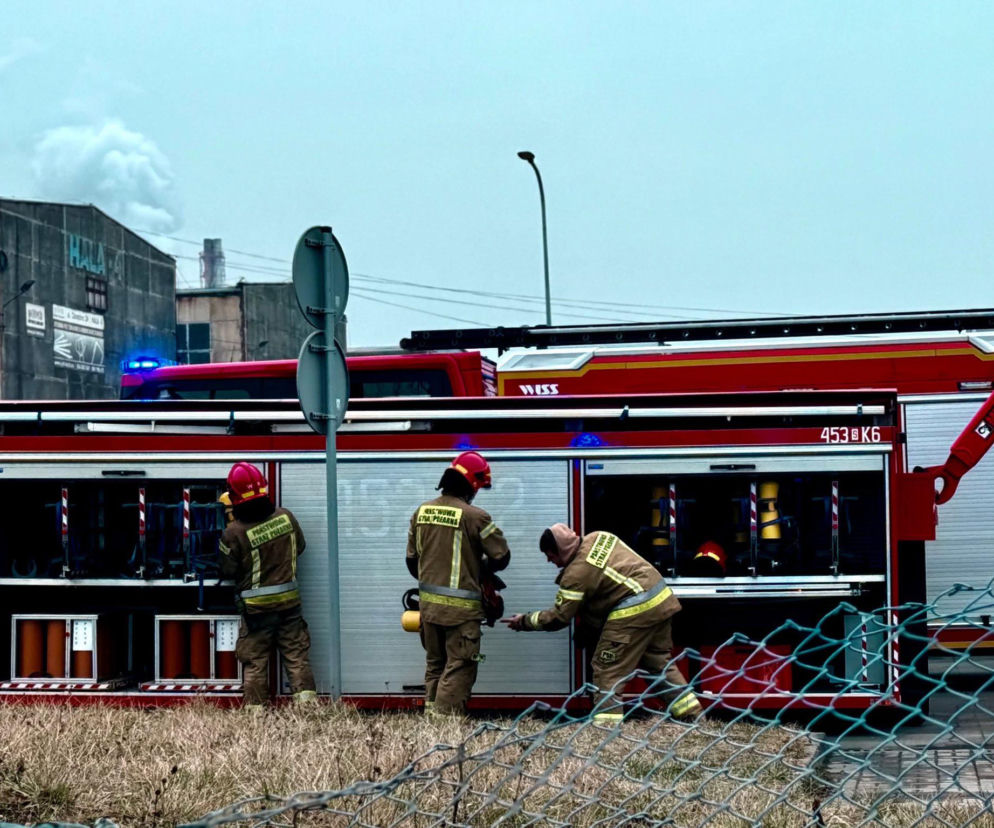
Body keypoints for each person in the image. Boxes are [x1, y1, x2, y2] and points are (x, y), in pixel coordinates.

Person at [503, 523, 701, 724]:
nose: (549, 560)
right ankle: (691, 715)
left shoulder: (575, 574)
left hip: (635, 609)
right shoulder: (599, 536)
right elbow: (604, 585)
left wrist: (525, 621)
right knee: (658, 662)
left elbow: (560, 617)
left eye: (550, 555)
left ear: (560, 550)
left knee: (607, 668)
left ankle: (606, 728)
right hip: (660, 600)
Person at [406, 451, 510, 715]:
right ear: (471, 485)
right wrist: (481, 570)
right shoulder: (476, 517)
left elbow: (411, 562)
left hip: (428, 608)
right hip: (461, 613)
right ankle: (445, 727)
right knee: (460, 664)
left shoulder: (421, 512)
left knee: (435, 664)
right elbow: (502, 557)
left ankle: (431, 719)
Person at [219, 462, 317, 709]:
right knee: (297, 658)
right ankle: (308, 711)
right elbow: (301, 547)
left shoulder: (233, 532)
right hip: (289, 605)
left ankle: (256, 717)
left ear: (234, 497)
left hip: (256, 611)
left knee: (255, 661)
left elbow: (228, 570)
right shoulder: (286, 517)